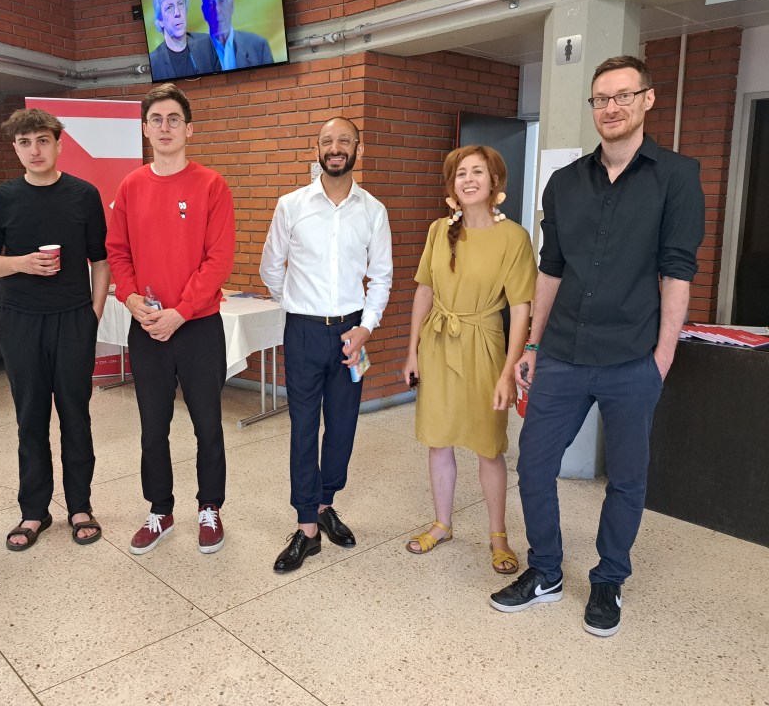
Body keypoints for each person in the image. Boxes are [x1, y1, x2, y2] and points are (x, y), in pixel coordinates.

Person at [489, 55, 704, 637]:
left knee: (627, 478)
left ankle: (608, 579)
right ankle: (546, 571)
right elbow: (551, 269)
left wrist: (663, 357)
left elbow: (677, 271)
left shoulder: (677, 176)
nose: (612, 108)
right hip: (562, 352)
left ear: (647, 99)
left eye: (623, 96)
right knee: (535, 465)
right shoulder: (565, 183)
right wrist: (532, 345)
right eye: (601, 99)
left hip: (633, 356)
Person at [0, 109, 110, 551]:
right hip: (21, 322)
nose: (35, 150)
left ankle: (80, 506)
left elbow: (100, 260)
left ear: (58, 144)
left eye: (43, 140)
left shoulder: (83, 194)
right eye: (25, 142)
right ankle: (33, 510)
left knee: (76, 415)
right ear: (15, 148)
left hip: (73, 319)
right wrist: (22, 263)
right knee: (30, 418)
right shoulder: (2, 198)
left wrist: (93, 313)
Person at [106, 83, 235, 555]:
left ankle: (210, 507)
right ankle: (160, 509)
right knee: (152, 426)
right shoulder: (131, 186)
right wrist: (130, 298)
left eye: (173, 119)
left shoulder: (211, 185)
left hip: (198, 325)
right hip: (148, 326)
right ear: (145, 129)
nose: (165, 127)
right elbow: (117, 251)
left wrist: (181, 312)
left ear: (189, 129)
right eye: (156, 119)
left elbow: (219, 259)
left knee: (208, 424)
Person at [260, 117, 393, 573]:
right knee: (303, 426)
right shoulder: (291, 205)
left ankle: (324, 504)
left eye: (344, 141)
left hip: (351, 335)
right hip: (302, 332)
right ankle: (306, 527)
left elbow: (382, 277)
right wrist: (298, 305)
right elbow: (271, 267)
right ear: (316, 150)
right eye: (327, 141)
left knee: (342, 426)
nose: (335, 148)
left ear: (358, 148)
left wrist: (366, 328)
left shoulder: (373, 211)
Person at [401, 146, 536, 575]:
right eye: (461, 173)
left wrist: (509, 370)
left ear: (495, 182)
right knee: (438, 438)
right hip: (438, 343)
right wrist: (411, 350)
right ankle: (442, 523)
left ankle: (498, 535)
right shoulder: (438, 230)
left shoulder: (513, 237)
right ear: (452, 184)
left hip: (484, 345)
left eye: (478, 172)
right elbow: (424, 290)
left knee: (488, 445)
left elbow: (521, 308)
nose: (469, 179)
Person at [148, 0, 221, 80]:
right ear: (160, 20)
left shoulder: (206, 44)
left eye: (180, 3)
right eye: (169, 8)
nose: (177, 13)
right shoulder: (153, 63)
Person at [200, 0, 274, 71]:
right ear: (204, 11)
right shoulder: (195, 56)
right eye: (210, 4)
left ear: (231, 5)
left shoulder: (259, 47)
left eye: (221, 1)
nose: (217, 10)